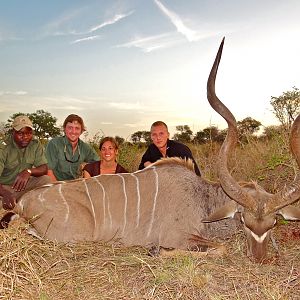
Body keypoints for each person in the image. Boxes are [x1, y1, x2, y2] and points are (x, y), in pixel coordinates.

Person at [0, 115, 51, 217]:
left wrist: (29, 171)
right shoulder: (3, 147)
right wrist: (5, 193)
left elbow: (44, 168)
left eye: (28, 133)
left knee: (46, 180)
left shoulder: (35, 144)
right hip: (4, 188)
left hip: (23, 185)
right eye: (20, 133)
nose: (25, 137)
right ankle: (18, 202)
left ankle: (25, 202)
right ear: (13, 132)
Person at [46, 114, 99, 181]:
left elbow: (98, 164)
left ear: (81, 131)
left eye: (77, 128)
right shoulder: (54, 144)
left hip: (76, 184)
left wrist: (86, 168)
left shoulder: (85, 147)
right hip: (56, 184)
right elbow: (48, 170)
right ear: (64, 129)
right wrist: (58, 188)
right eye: (70, 128)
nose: (73, 132)